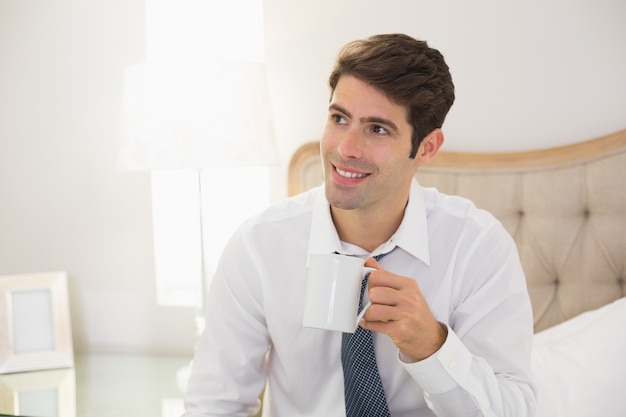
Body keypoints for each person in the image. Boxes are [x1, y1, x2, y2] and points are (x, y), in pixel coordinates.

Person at [183, 33, 536, 416]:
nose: (346, 148)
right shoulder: (258, 248)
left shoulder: (477, 248)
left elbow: (514, 410)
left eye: (377, 129)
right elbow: (214, 405)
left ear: (427, 147)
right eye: (339, 118)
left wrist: (433, 346)